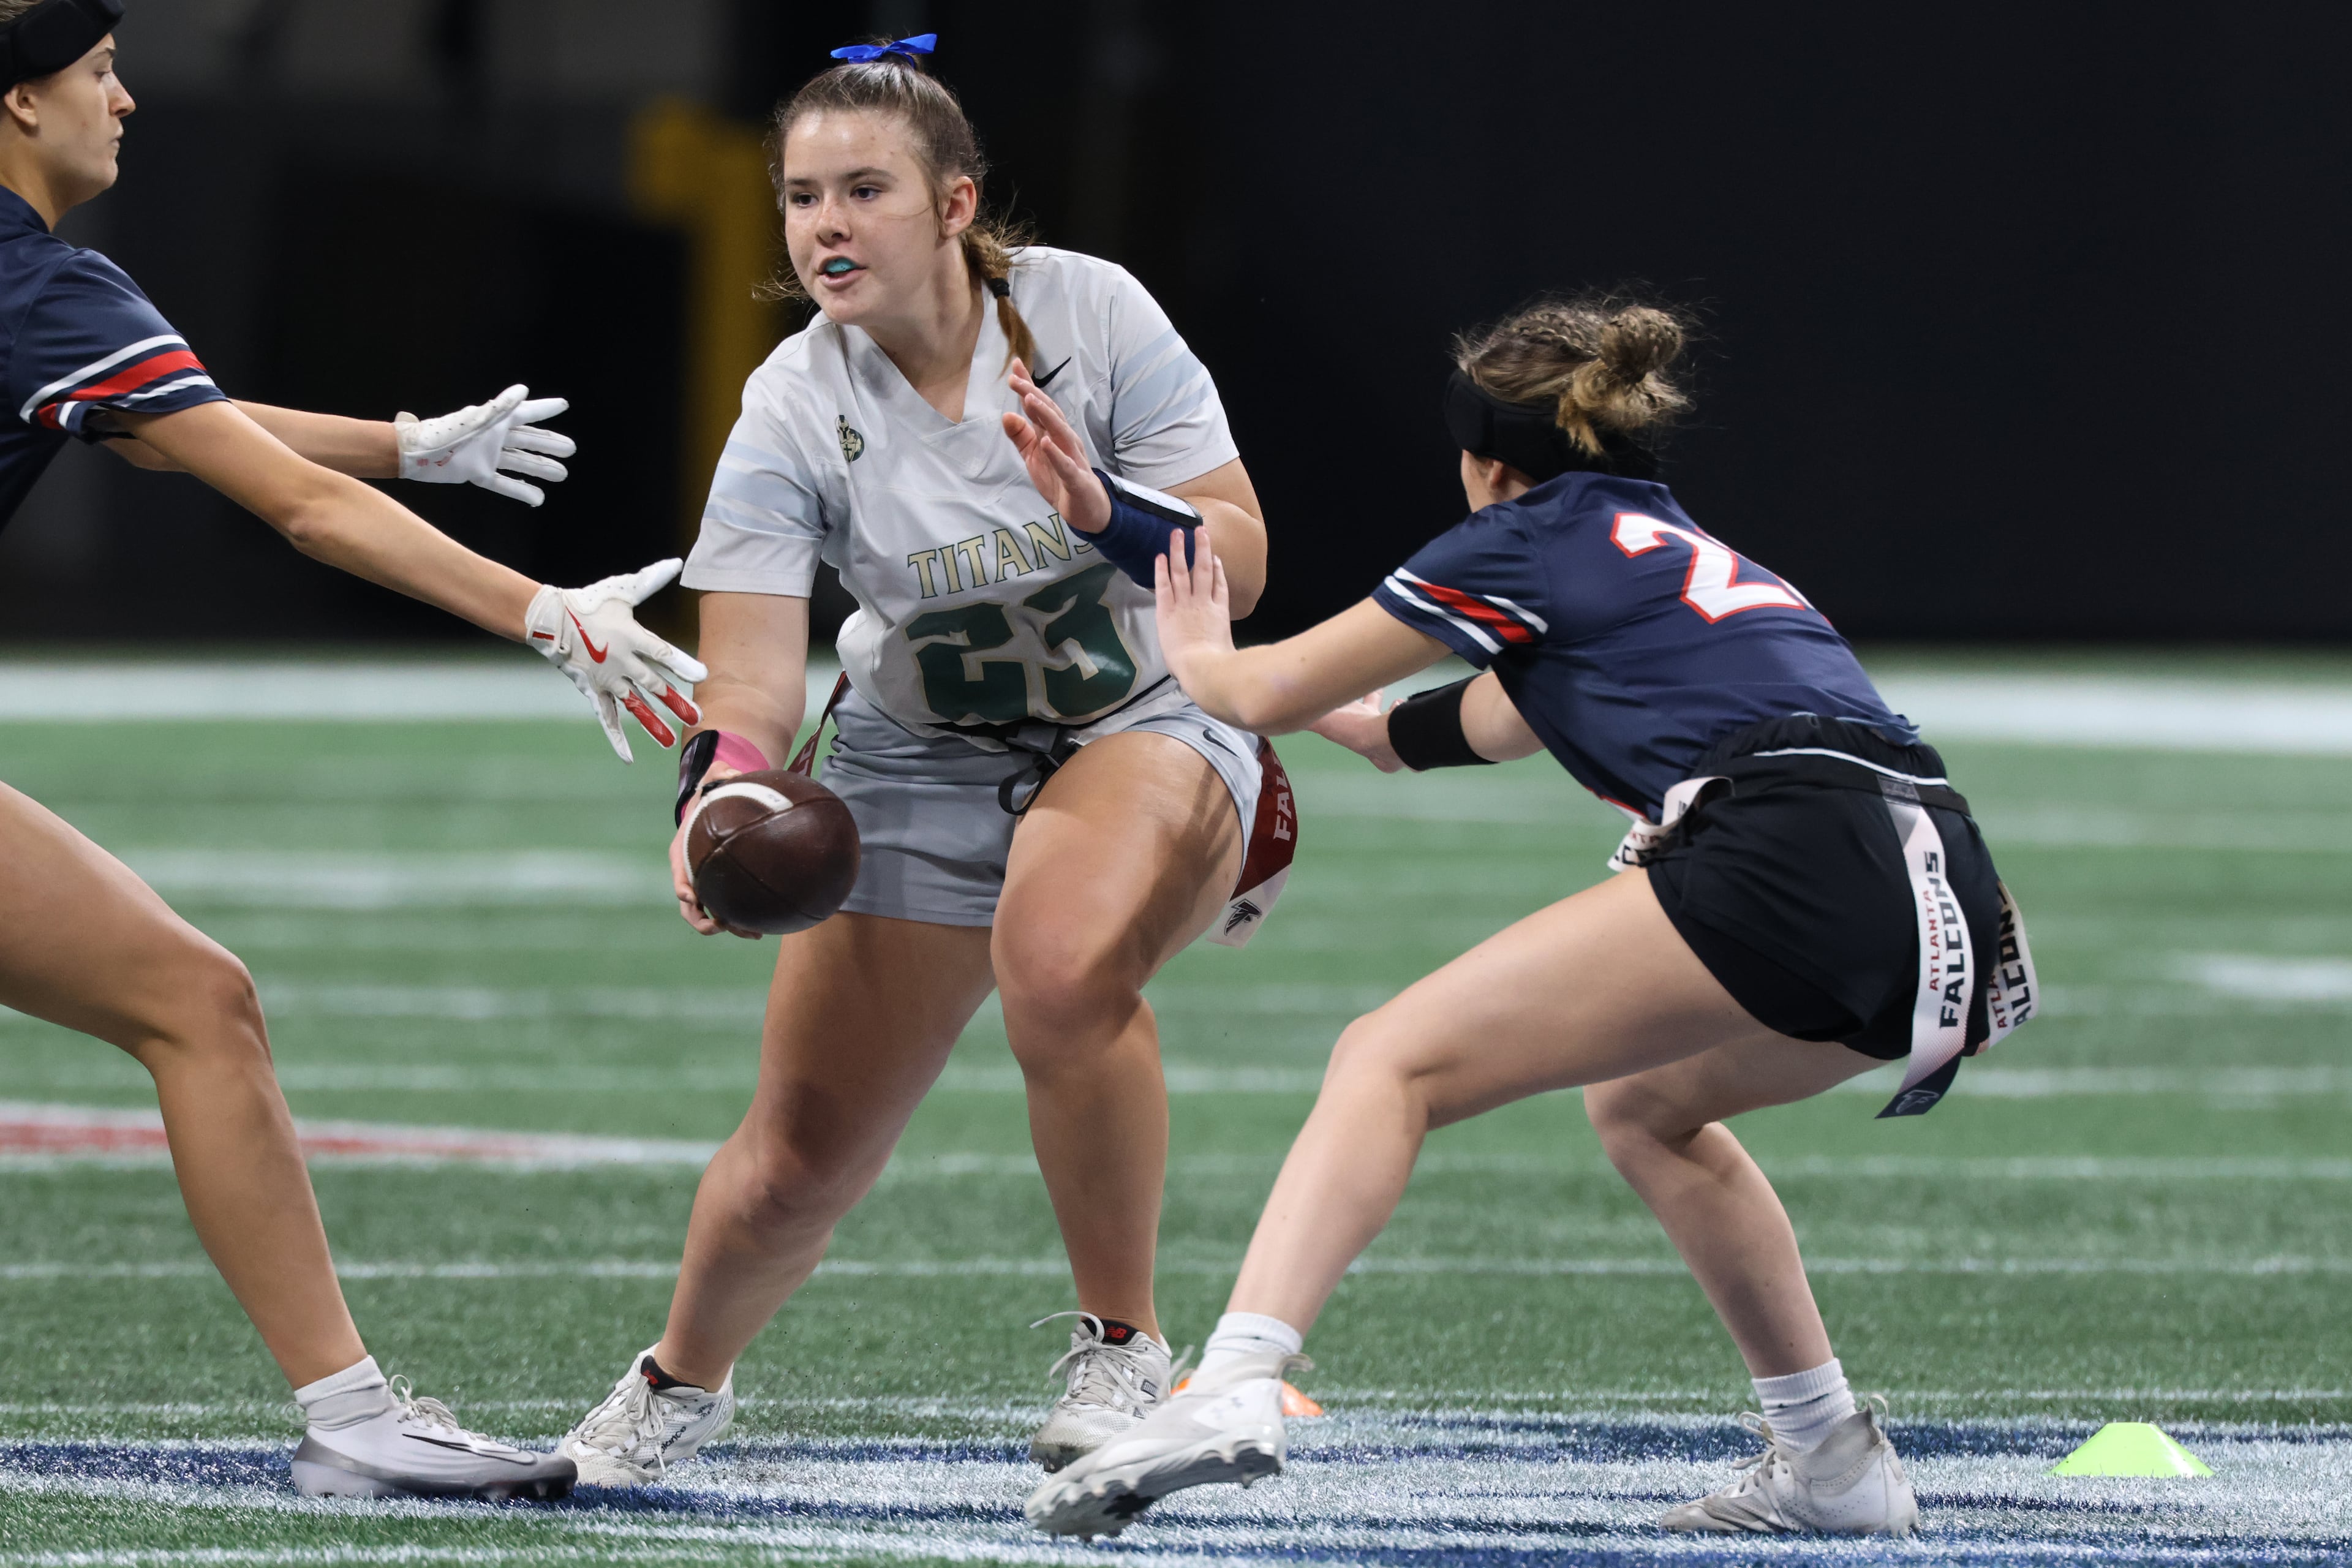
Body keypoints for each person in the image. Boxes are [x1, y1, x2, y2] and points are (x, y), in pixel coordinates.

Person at [1025, 295, 2039, 1539]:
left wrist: (1194, 644)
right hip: (1947, 886)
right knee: (1649, 1105)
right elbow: (1423, 730)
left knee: (1388, 1055)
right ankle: (1831, 1454)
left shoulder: (1524, 538)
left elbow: (1266, 685)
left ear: (1488, 463)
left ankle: (1234, 1377)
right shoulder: (1671, 551)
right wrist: (1119, 522)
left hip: (1797, 845)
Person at [0, 0, 706, 1499]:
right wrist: (542, 612)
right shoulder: (37, 281)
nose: (124, 102)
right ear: (18, 104)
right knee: (199, 1001)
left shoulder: (39, 301)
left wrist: (408, 442)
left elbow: (166, 422)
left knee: (198, 999)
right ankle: (353, 1414)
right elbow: (285, 504)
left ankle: (353, 1411)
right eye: (99, 72)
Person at [555, 34, 1283, 1485]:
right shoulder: (790, 401)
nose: (826, 223)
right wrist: (727, 789)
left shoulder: (1087, 312)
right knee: (797, 1159)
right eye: (802, 196)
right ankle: (678, 1382)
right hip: (915, 749)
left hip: (1140, 716)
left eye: (864, 190)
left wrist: (1109, 516)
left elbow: (1244, 562)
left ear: (956, 204)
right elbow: (755, 664)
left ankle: (1124, 1344)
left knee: (1062, 961)